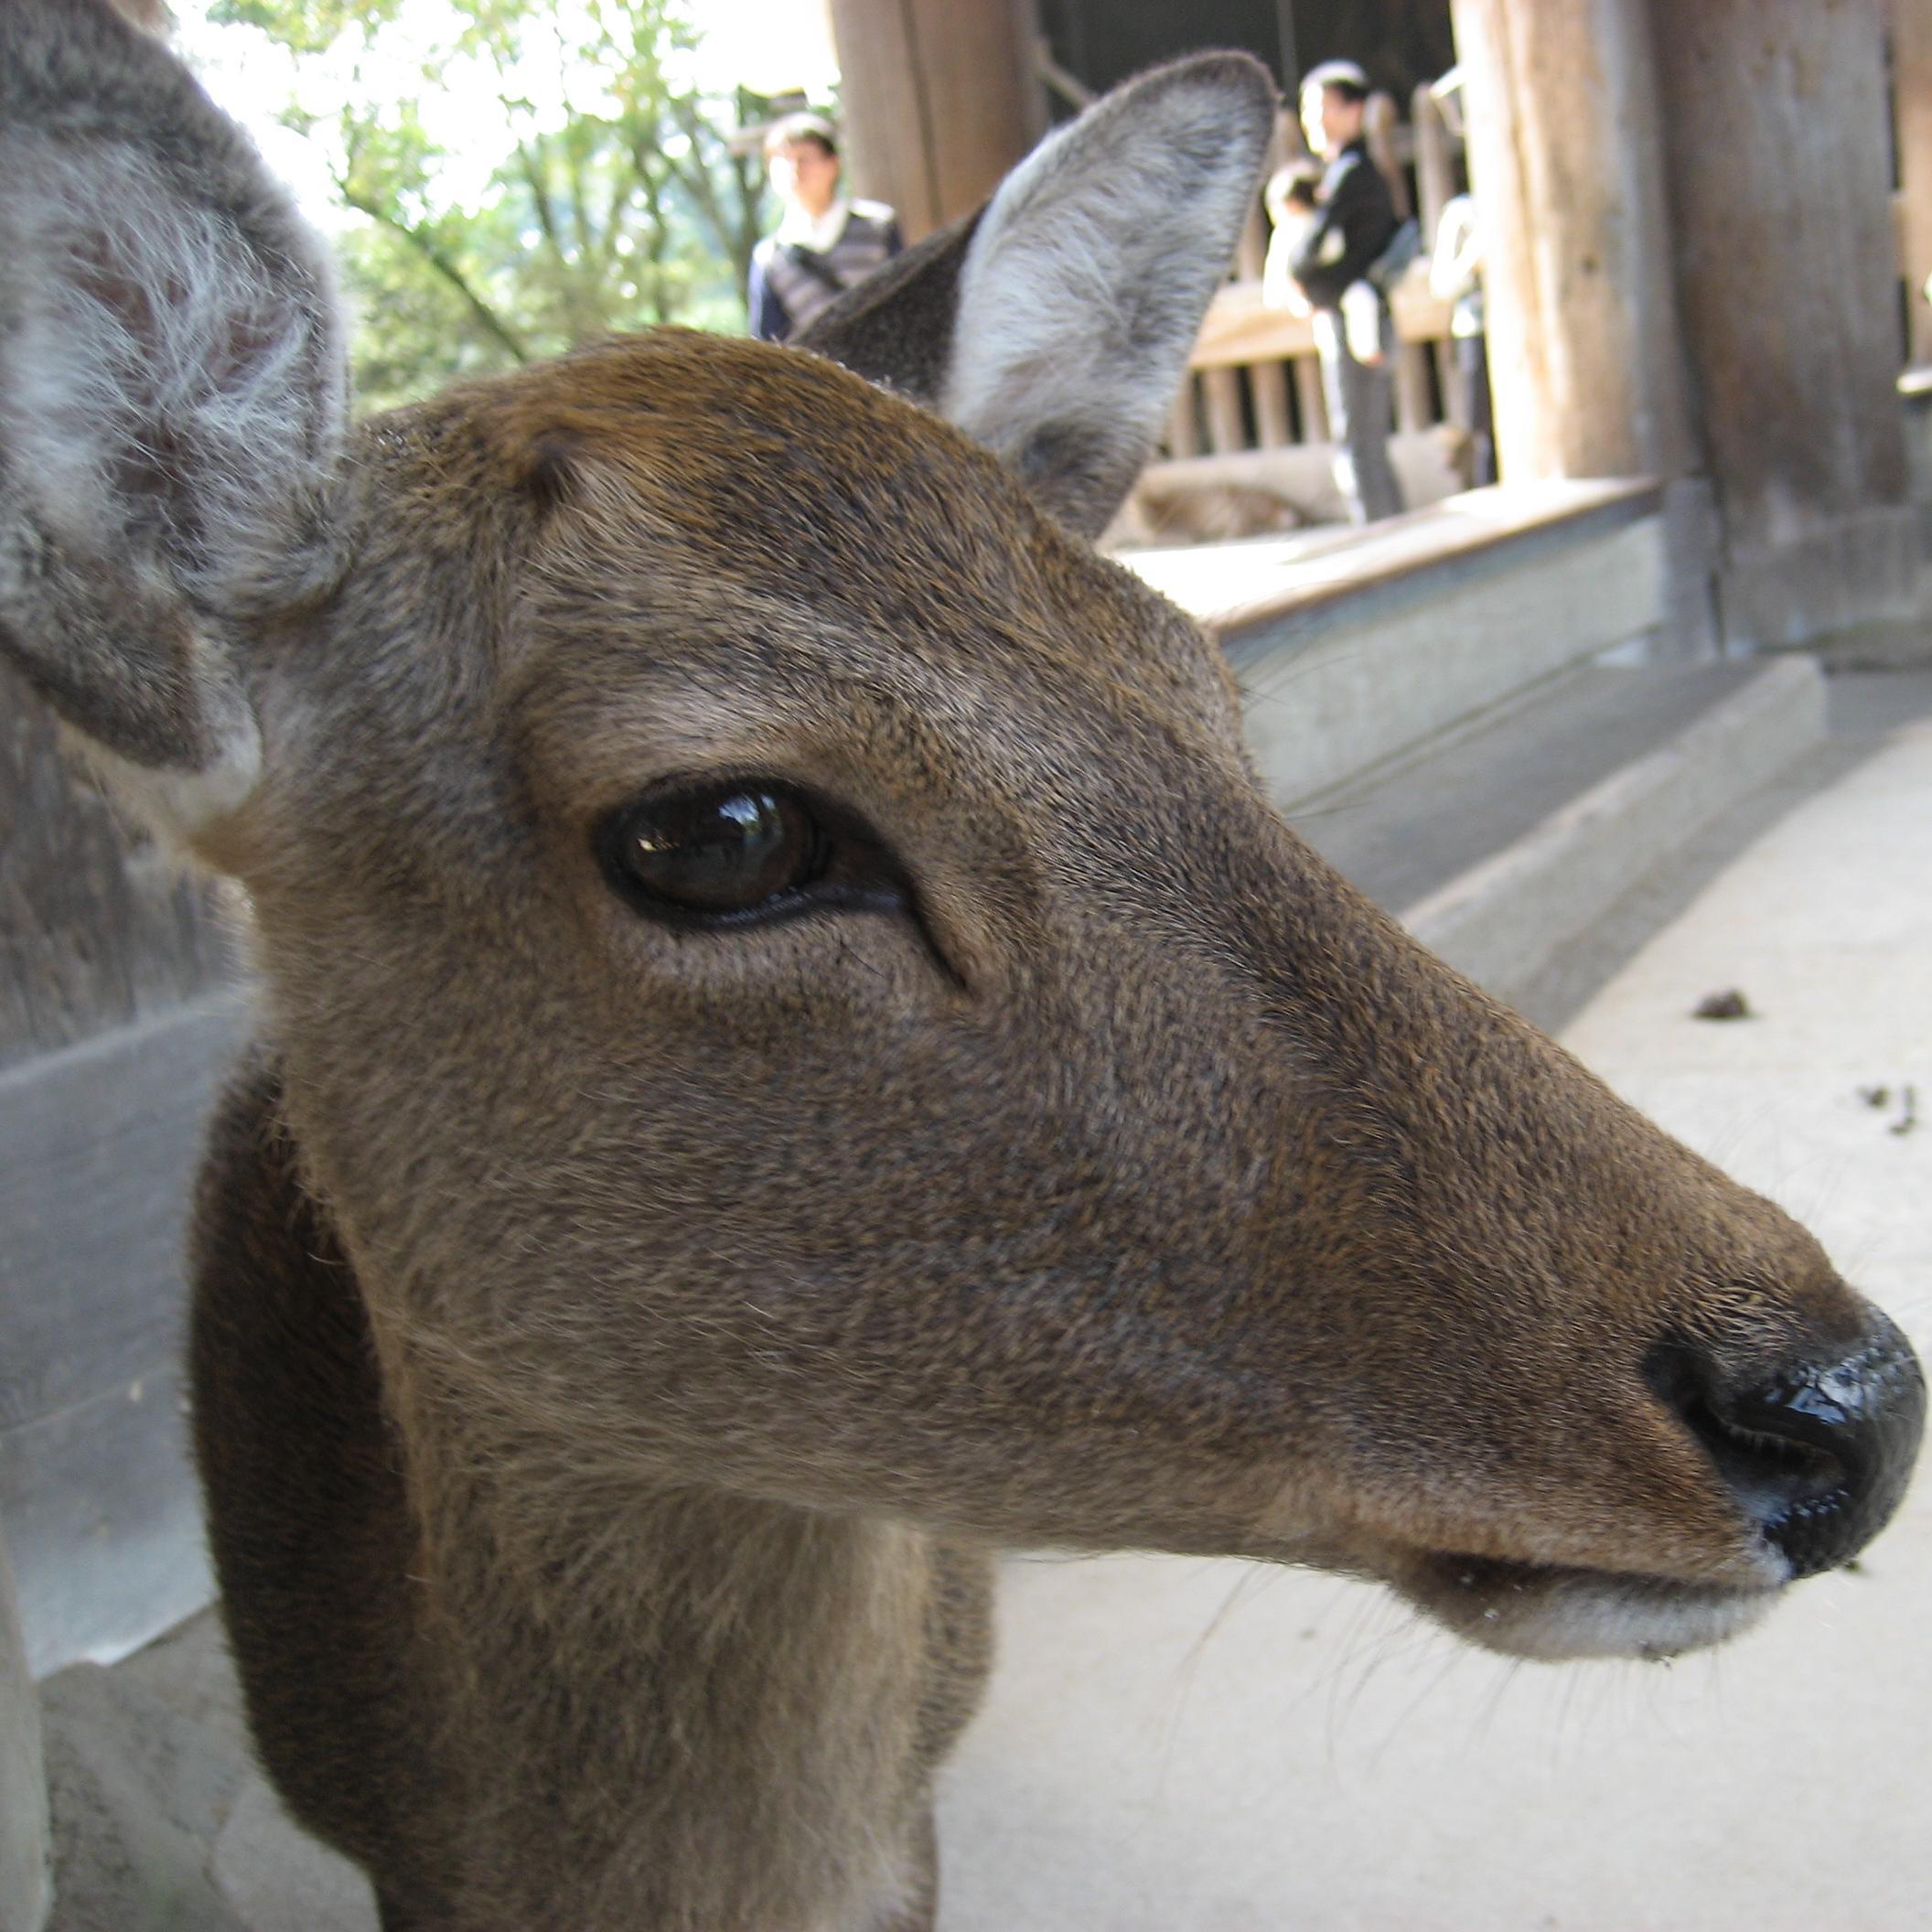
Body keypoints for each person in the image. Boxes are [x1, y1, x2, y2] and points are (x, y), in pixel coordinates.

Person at [1283, 59, 1405, 523]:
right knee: (1367, 441)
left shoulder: (1352, 175)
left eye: (1323, 108)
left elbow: (1309, 253)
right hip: (1362, 315)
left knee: (1357, 444)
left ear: (1353, 111)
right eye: (1308, 109)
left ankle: (1381, 540)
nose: (1313, 120)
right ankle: (1391, 534)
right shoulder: (1350, 174)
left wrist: (1299, 276)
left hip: (1357, 319)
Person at [747, 113, 901, 345]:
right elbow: (769, 343)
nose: (795, 170)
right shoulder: (770, 259)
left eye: (804, 159)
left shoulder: (877, 226)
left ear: (832, 164)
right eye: (783, 160)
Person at [1430, 190, 1495, 486]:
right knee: (1481, 427)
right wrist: (1471, 261)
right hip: (1476, 330)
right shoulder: (1461, 212)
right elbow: (1441, 285)